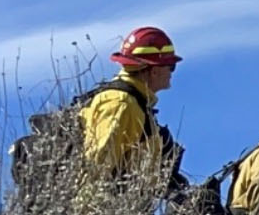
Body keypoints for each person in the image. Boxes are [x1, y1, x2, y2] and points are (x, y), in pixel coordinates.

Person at [78, 27, 184, 183]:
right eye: (170, 67)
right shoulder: (122, 105)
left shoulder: (135, 103)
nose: (171, 73)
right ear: (154, 71)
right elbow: (96, 169)